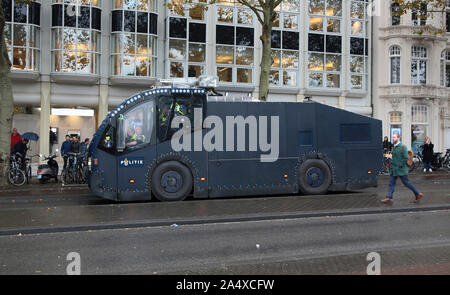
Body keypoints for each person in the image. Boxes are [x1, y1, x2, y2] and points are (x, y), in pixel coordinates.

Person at [381, 133, 423, 204]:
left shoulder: (402, 147)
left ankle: (417, 194)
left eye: (394, 137)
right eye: (393, 137)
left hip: (401, 170)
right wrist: (385, 156)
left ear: (398, 138)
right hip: (394, 170)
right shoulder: (394, 147)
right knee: (391, 183)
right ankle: (389, 197)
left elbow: (406, 157)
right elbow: (394, 156)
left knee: (406, 183)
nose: (393, 138)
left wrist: (399, 165)